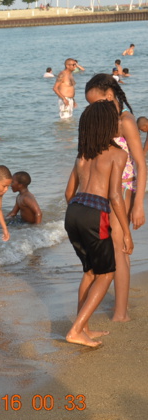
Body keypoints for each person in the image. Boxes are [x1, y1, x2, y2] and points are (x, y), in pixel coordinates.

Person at [64, 100, 133, 347]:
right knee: (106, 273)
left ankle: (85, 327)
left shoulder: (82, 156)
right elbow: (115, 195)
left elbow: (68, 193)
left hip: (73, 212)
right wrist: (126, 232)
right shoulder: (118, 154)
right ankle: (75, 330)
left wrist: (79, 213)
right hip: (96, 213)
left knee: (90, 272)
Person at [84, 73, 146, 322]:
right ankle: (121, 308)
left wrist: (139, 204)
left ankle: (121, 312)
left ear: (109, 96)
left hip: (122, 190)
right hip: (104, 191)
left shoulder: (125, 121)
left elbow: (142, 164)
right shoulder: (103, 121)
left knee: (119, 248)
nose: (92, 109)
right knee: (117, 247)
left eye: (95, 103)